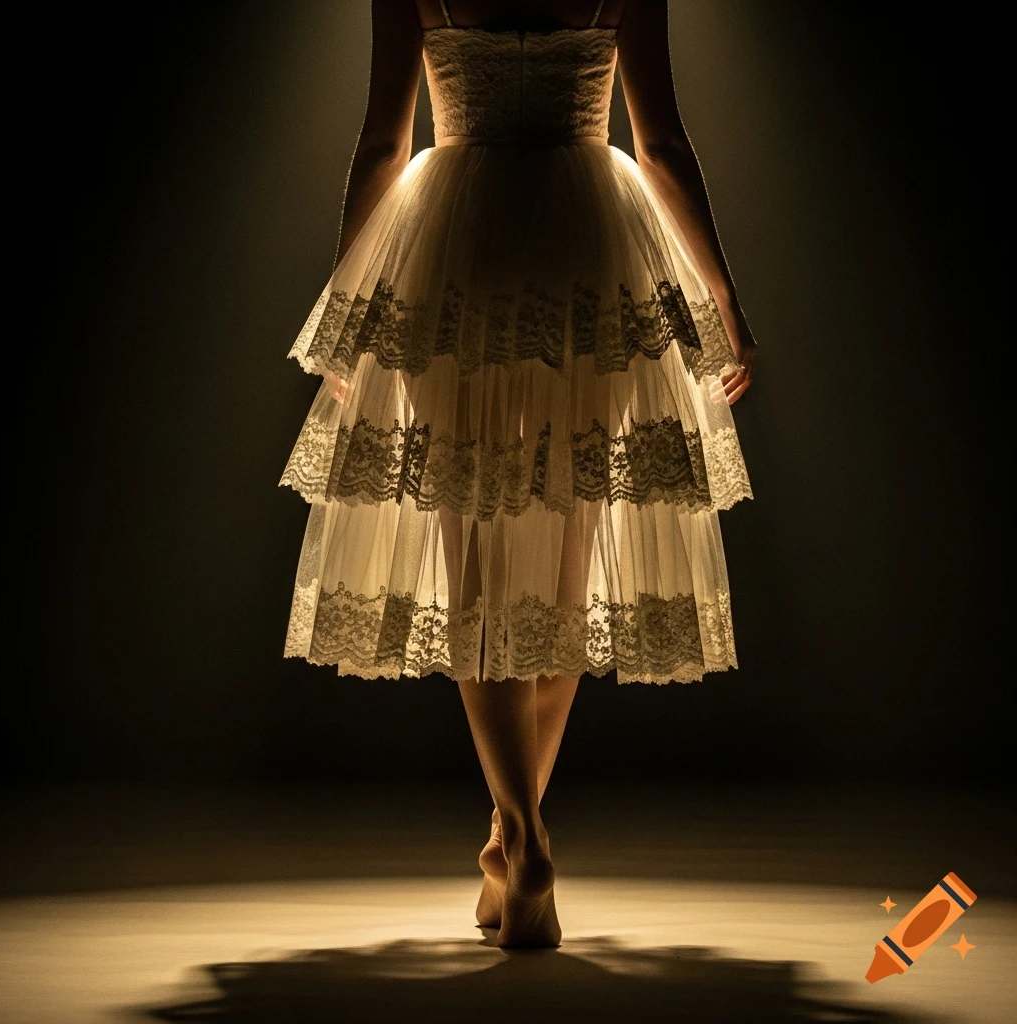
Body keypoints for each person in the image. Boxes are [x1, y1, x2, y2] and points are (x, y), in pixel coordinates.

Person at [280, 0, 757, 948]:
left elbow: (383, 139)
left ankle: (521, 835)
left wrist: (351, 300)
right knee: (567, 560)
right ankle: (519, 836)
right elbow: (660, 142)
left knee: (475, 561)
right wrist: (723, 296)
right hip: (591, 240)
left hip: (458, 243)